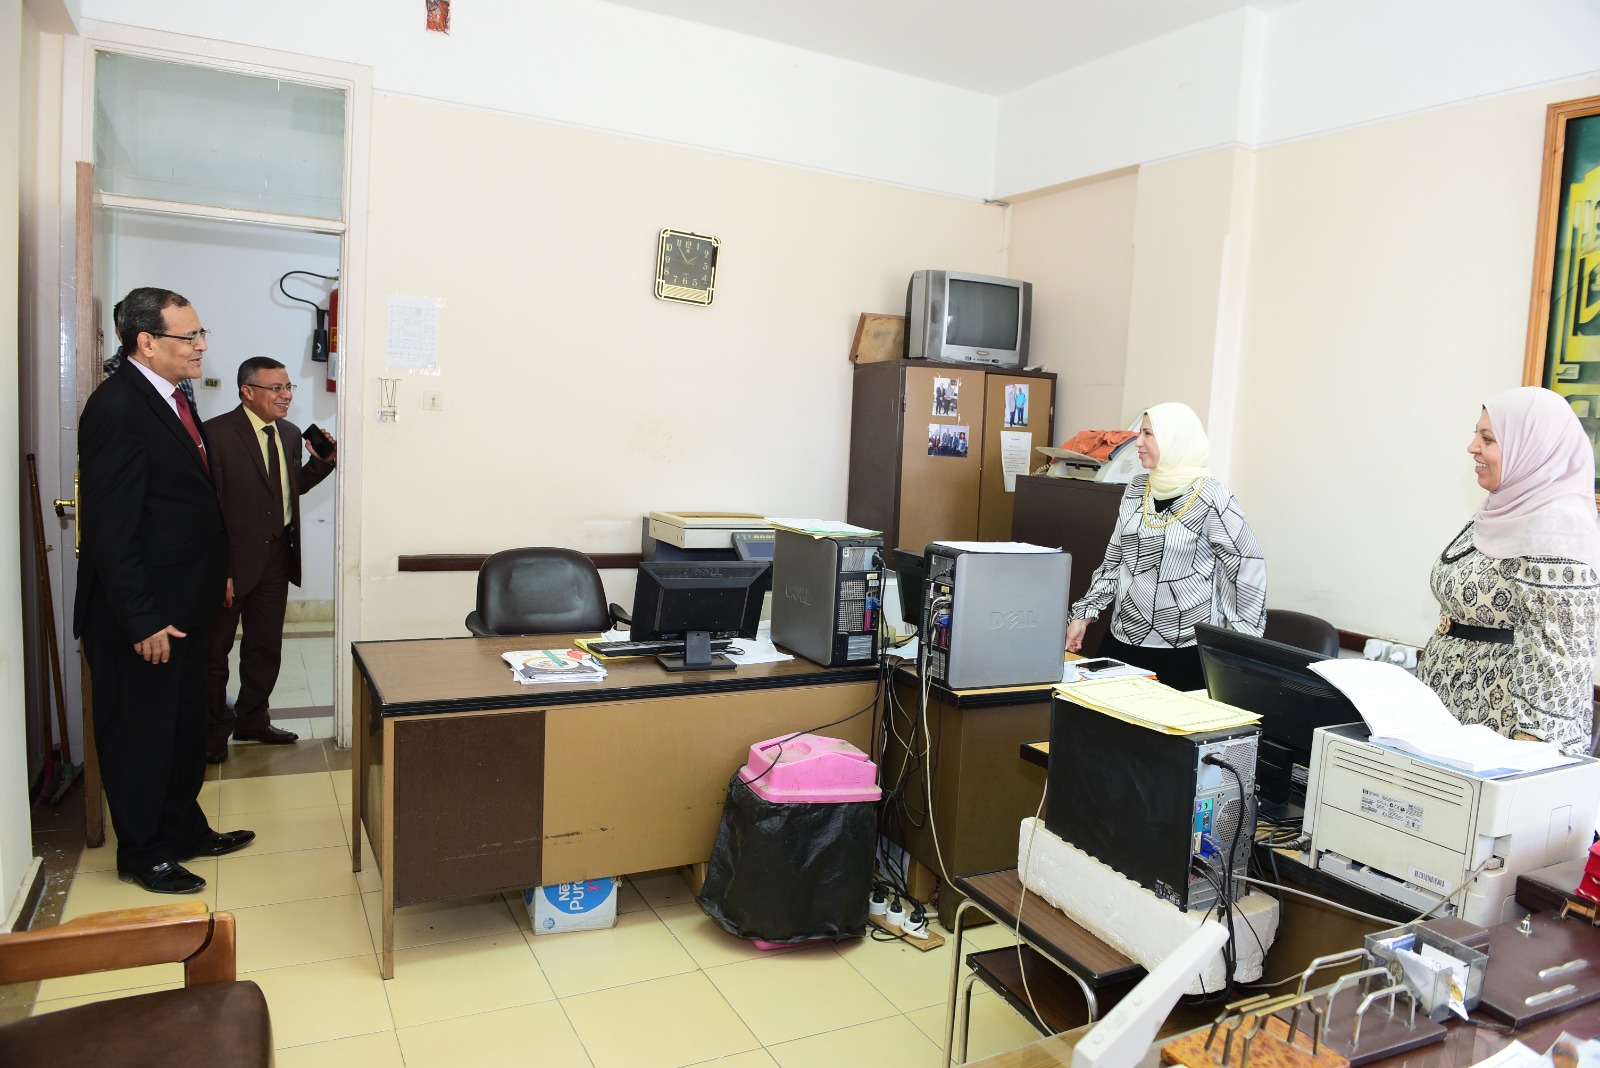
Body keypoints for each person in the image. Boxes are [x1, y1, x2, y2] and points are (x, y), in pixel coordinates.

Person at [72, 287, 255, 894]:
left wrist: (216, 572)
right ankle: (143, 851)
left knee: (181, 730)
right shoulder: (117, 408)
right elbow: (109, 528)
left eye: (202, 334)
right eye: (189, 336)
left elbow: (184, 501)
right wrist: (142, 618)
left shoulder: (173, 396)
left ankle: (182, 829)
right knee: (140, 738)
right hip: (143, 616)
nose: (201, 346)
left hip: (186, 603)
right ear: (146, 342)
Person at [1417, 386, 1600, 756]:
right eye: (1477, 434)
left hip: (1502, 731)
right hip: (1450, 712)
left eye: (1488, 439)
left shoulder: (1557, 526)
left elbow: (1560, 657)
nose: (1472, 447)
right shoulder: (1500, 511)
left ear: (1532, 449)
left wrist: (1531, 751)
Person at [1065, 402, 1268, 691]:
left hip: (1186, 651)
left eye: (1148, 434)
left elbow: (1245, 569)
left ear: (1176, 439)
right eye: (1140, 433)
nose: (1138, 441)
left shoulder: (1213, 496)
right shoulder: (1136, 489)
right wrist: (1084, 614)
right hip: (1124, 639)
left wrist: (1242, 647)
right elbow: (1115, 560)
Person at [203, 356, 337, 762]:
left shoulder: (291, 434)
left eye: (288, 387)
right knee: (213, 653)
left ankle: (252, 719)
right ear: (247, 391)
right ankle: (211, 732)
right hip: (230, 563)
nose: (286, 395)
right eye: (275, 388)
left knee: (264, 647)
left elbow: (288, 489)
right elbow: (207, 509)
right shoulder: (216, 434)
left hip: (276, 558)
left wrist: (322, 464)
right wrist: (219, 570)